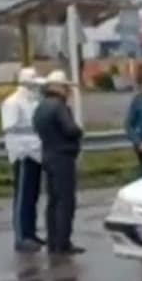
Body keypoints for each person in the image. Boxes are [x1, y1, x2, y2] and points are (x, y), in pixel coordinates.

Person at [31, 70, 84, 255]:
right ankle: (63, 242)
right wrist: (78, 132)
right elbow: (70, 129)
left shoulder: (40, 107)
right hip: (63, 156)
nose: (68, 91)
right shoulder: (59, 107)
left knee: (52, 201)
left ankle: (53, 240)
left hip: (48, 154)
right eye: (65, 87)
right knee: (65, 201)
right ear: (59, 88)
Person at [0, 67, 45, 252]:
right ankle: (21, 237)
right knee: (23, 197)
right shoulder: (12, 103)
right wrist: (23, 148)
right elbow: (10, 129)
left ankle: (31, 233)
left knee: (33, 196)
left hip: (37, 152)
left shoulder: (34, 102)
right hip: (23, 154)